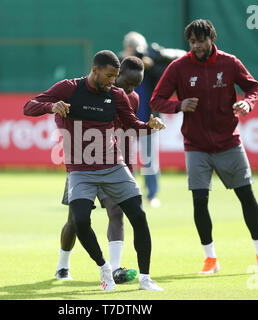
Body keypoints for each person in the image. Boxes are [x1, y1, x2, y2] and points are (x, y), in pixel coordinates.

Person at [150, 19, 258, 275]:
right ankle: (210, 260)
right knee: (200, 201)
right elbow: (156, 100)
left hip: (229, 142)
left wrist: (248, 103)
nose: (196, 46)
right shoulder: (178, 67)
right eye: (192, 42)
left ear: (211, 38)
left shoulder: (229, 62)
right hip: (196, 146)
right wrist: (178, 106)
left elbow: (253, 87)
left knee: (246, 197)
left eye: (200, 41)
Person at [23, 50, 165, 291]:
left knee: (138, 217)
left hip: (113, 166)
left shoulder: (118, 95)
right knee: (78, 220)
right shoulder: (69, 88)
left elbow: (132, 125)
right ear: (95, 70)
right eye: (110, 76)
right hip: (80, 169)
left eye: (116, 77)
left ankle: (144, 279)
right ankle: (102, 267)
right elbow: (29, 106)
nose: (113, 81)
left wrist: (149, 127)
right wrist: (51, 106)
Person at [55, 56, 145, 285]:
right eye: (126, 83)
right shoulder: (90, 92)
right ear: (117, 75)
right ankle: (62, 266)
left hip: (114, 165)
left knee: (117, 213)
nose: (130, 89)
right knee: (76, 221)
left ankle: (113, 269)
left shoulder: (130, 98)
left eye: (135, 86)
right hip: (83, 164)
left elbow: (128, 134)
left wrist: (128, 168)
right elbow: (63, 118)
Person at [121, 32, 186, 208]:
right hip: (124, 121)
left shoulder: (149, 67)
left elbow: (168, 72)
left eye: (137, 49)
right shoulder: (119, 65)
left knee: (150, 162)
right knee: (125, 161)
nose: (134, 52)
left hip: (148, 121)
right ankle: (128, 195)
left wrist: (151, 64)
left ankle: (151, 195)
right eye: (131, 48)